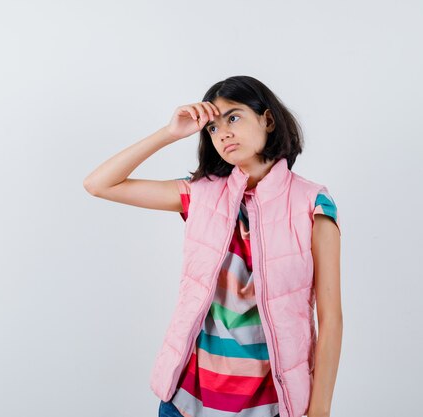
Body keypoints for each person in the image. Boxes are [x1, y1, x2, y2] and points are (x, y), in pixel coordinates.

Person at [83, 75, 342, 417]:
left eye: (233, 117)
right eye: (213, 128)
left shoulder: (313, 202)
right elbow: (99, 184)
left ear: (267, 119)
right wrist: (169, 133)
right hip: (187, 401)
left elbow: (330, 316)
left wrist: (320, 410)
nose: (224, 133)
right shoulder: (200, 193)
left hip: (273, 405)